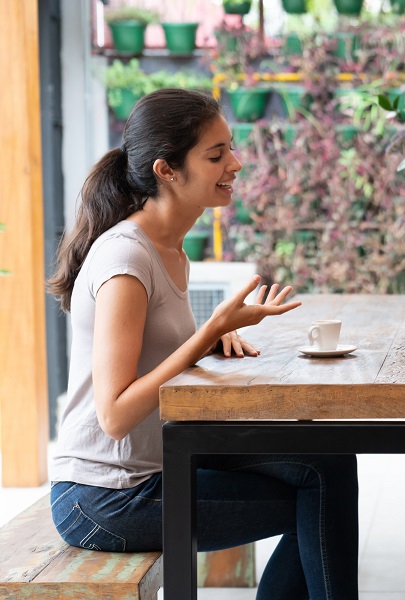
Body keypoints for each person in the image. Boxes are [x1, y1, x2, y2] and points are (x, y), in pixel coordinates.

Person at [47, 88, 359, 600]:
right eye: (216, 155)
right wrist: (206, 334)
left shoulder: (169, 249)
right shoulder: (126, 260)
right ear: (166, 170)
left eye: (230, 149)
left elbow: (154, 356)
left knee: (328, 461)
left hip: (158, 463)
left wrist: (207, 341)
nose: (234, 164)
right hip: (105, 497)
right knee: (320, 497)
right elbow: (116, 415)